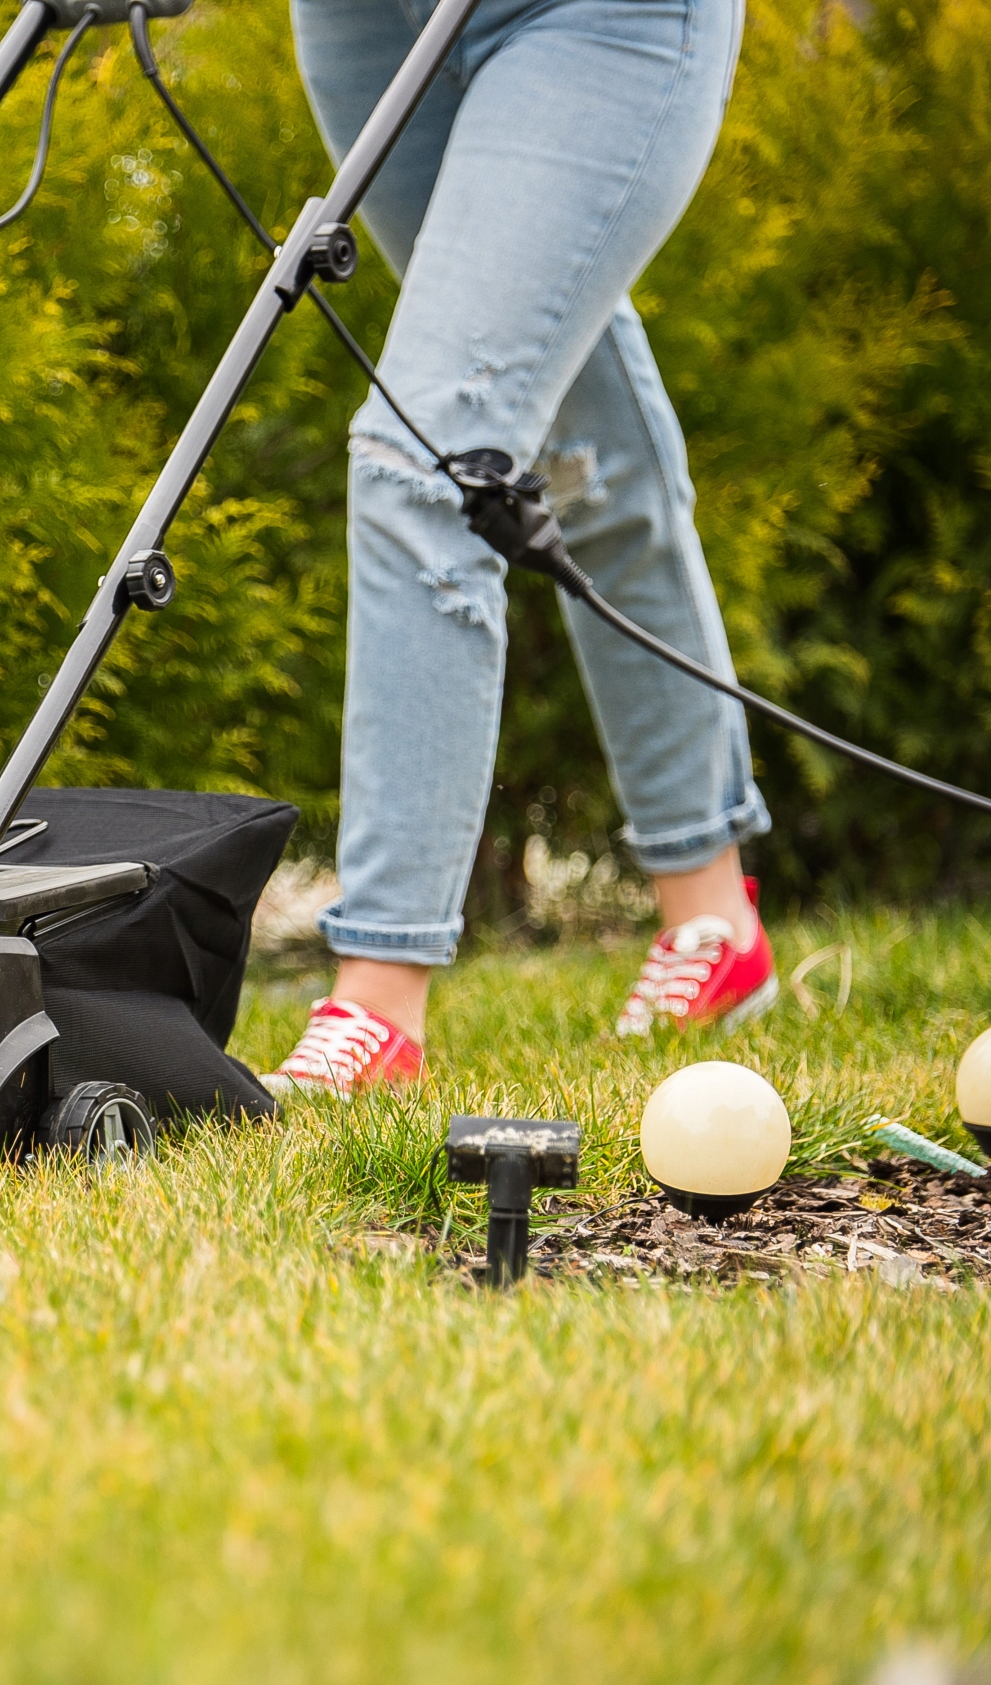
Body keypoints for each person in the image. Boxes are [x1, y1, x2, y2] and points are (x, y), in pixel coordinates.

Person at [263, 0, 772, 1098]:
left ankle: (378, 1000)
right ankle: (713, 920)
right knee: (590, 446)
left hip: (594, 17)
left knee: (426, 455)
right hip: (370, 23)